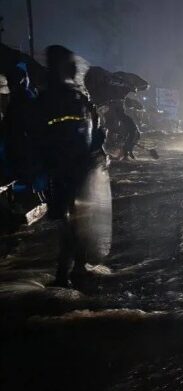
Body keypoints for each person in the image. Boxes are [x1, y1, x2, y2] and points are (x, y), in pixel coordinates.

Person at [36, 45, 108, 287]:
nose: (75, 68)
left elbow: (92, 131)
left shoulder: (78, 96)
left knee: (80, 221)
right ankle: (64, 275)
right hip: (62, 171)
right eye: (69, 64)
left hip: (81, 169)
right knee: (72, 223)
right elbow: (43, 136)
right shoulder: (50, 98)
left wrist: (99, 145)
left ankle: (76, 268)